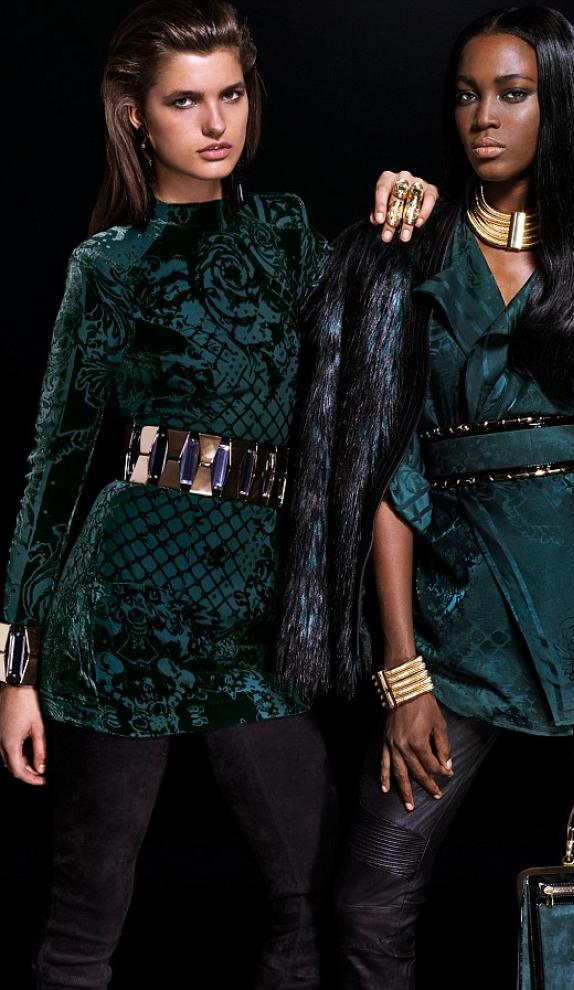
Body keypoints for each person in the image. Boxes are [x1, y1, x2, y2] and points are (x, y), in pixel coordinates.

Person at [0, 2, 437, 987]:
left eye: (230, 94)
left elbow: (371, 347)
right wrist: (15, 671)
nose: (215, 123)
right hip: (122, 615)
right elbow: (53, 467)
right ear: (136, 116)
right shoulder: (108, 265)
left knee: (311, 901)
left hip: (253, 611)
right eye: (184, 101)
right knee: (84, 924)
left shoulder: (283, 234)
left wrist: (408, 217)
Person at [277, 6, 574, 986]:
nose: (484, 117)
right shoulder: (402, 257)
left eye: (513, 94)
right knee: (368, 903)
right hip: (454, 630)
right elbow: (385, 476)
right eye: (467, 94)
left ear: (563, 106)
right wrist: (403, 675)